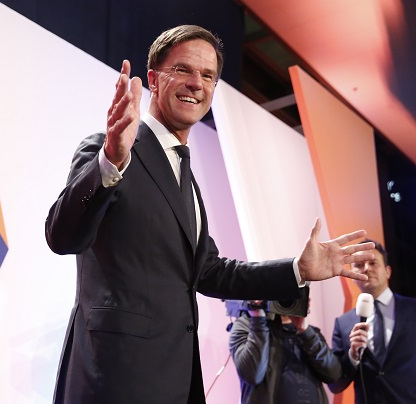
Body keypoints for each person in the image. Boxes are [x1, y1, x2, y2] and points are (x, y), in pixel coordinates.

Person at [45, 24, 373, 404]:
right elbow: (62, 235)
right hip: (114, 380)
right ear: (153, 78)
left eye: (207, 76)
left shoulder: (186, 180)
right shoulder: (110, 150)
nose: (196, 84)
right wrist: (110, 162)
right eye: (183, 69)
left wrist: (297, 269)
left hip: (177, 381)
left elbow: (211, 272)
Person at [328, 239, 416, 403]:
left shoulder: (412, 310)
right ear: (352, 275)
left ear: (387, 271)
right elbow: (335, 383)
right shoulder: (343, 323)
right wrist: (352, 356)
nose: (366, 268)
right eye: (359, 265)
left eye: (373, 263)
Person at [228, 295, 341, 404]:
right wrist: (258, 320)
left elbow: (333, 374)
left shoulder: (309, 332)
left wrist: (305, 331)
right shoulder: (246, 327)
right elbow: (253, 374)